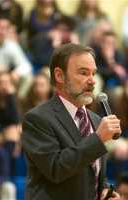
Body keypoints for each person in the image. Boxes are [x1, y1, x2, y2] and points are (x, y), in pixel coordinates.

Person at [21, 43, 122, 200]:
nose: (92, 81)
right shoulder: (37, 119)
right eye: (83, 73)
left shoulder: (95, 119)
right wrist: (98, 139)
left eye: (93, 74)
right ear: (60, 76)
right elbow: (56, 169)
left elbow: (89, 170)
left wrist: (103, 190)